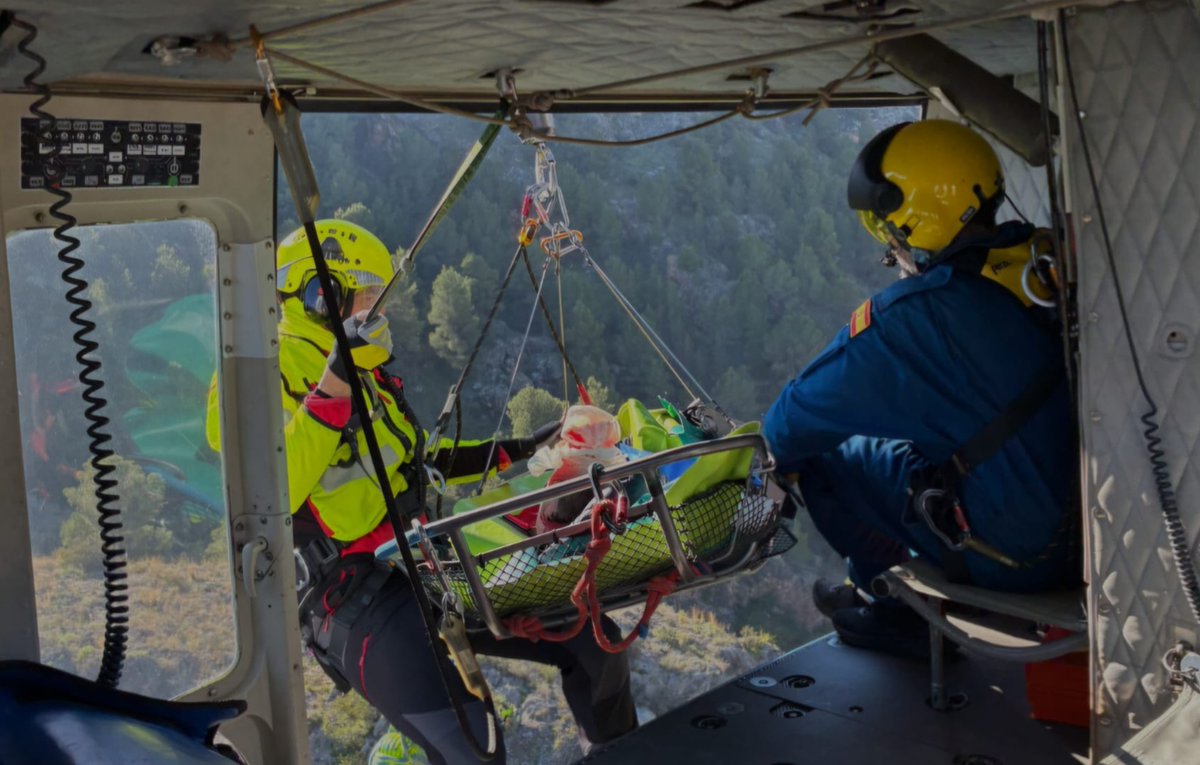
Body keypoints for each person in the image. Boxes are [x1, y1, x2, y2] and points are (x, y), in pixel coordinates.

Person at [206, 220, 636, 763]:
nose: (375, 314)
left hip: (425, 565)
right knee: (473, 746)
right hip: (358, 598)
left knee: (595, 645)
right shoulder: (259, 373)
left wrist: (522, 447)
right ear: (323, 295)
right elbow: (273, 491)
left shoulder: (366, 375)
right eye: (365, 299)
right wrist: (333, 387)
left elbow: (418, 468)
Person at [763, 120, 1078, 658]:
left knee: (824, 457)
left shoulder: (920, 314)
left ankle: (899, 609)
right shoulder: (1045, 262)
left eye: (883, 221)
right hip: (1099, 545)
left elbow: (790, 423)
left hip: (1022, 561)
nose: (886, 239)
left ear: (914, 215)